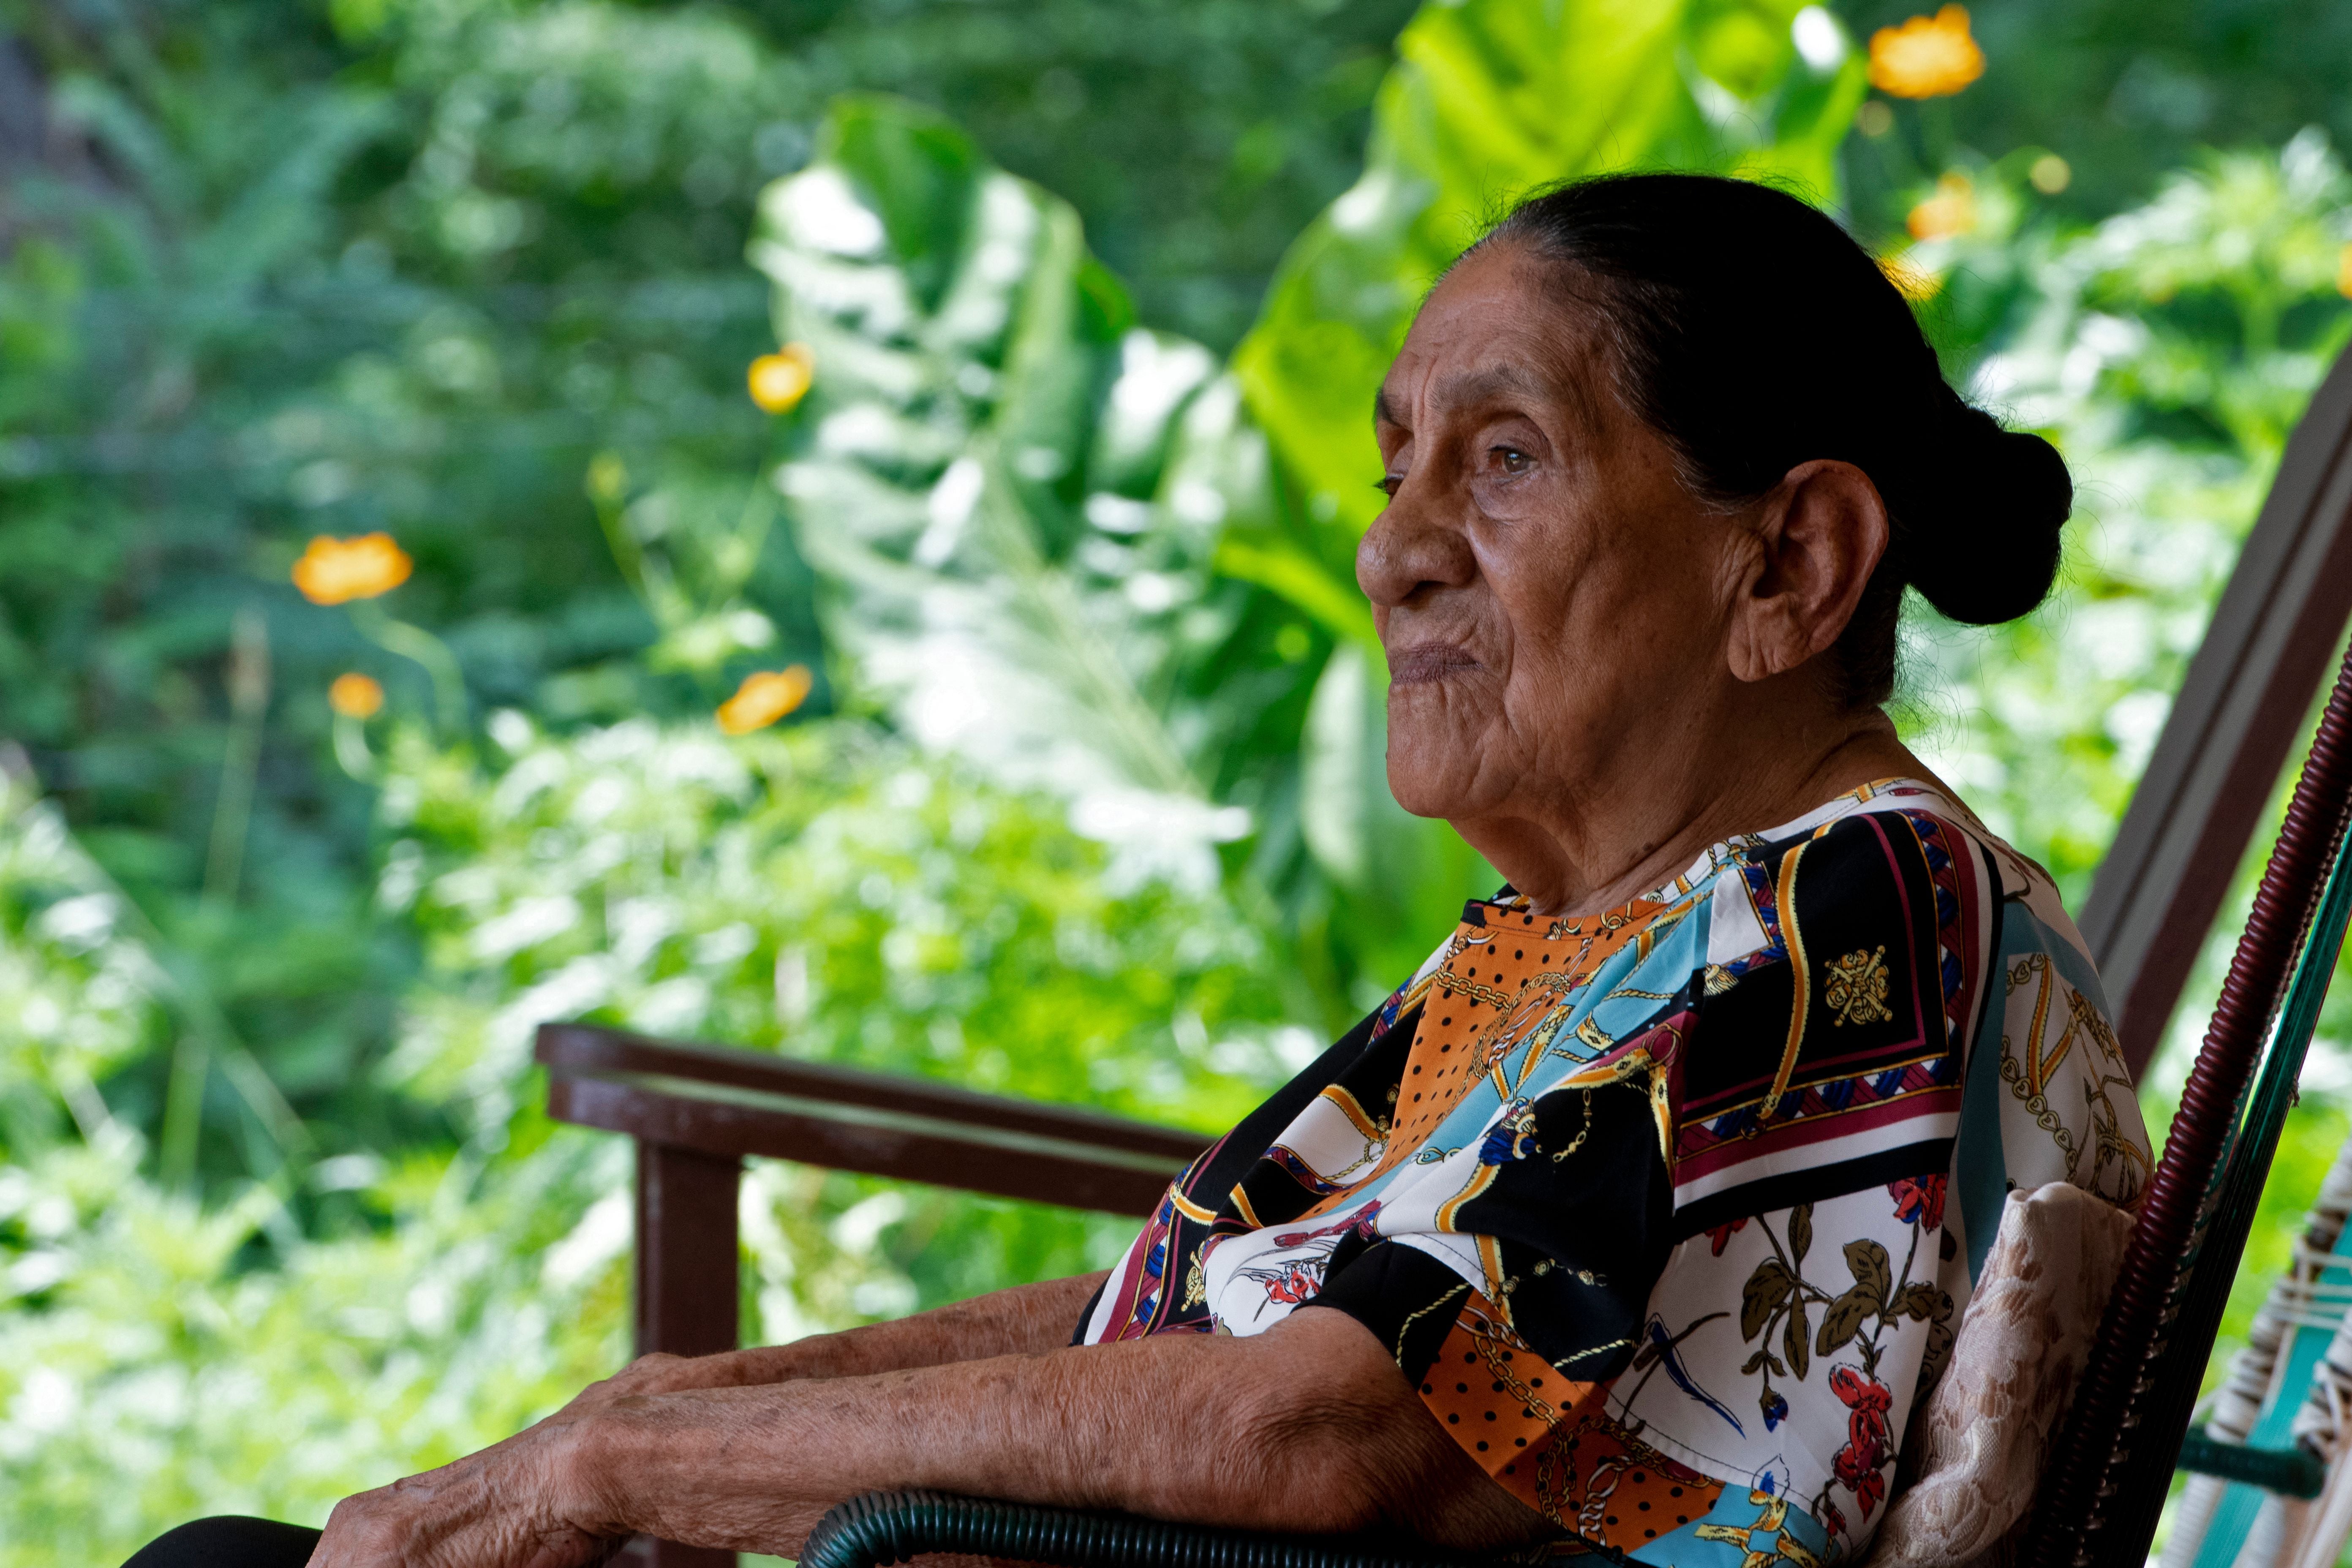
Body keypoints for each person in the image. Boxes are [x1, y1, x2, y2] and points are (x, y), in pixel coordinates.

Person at [127, 172, 2151, 1568]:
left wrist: (635, 1456)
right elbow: (1163, 1315)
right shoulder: (1609, 937)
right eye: (1395, 469)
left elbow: (1325, 1429)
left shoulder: (1857, 911)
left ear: (1786, 562)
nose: (1392, 549)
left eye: (1505, 457)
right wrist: (605, 1442)